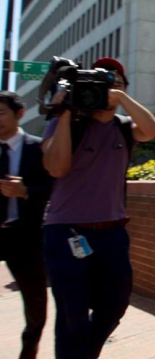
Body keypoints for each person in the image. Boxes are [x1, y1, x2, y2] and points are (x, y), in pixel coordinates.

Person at [41, 57, 155, 359]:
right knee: (72, 314)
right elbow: (56, 167)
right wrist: (65, 110)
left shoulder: (124, 128)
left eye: (115, 84)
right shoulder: (69, 122)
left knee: (115, 304)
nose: (106, 91)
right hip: (65, 232)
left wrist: (118, 96)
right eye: (101, 84)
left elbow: (152, 130)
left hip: (112, 233)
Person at [0, 91, 53, 359]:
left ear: (19, 114)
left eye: (1, 113)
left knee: (35, 304)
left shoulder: (38, 148)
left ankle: (28, 350)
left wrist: (26, 192)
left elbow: (53, 189)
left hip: (26, 236)